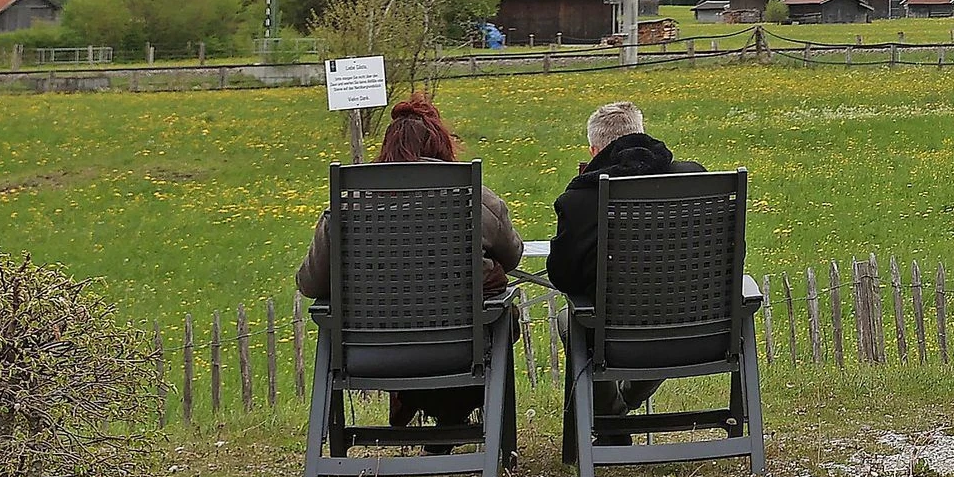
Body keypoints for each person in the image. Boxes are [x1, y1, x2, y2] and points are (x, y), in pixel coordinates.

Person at [294, 95, 524, 438]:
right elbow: (514, 254)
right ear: (443, 146)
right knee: (505, 319)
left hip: (369, 353)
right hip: (457, 349)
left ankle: (427, 408)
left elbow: (310, 283)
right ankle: (454, 416)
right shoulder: (477, 200)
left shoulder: (347, 208)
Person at [547, 101, 704, 432]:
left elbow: (563, 276)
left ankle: (608, 418)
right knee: (666, 316)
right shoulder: (696, 179)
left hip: (618, 336)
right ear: (643, 135)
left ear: (593, 150)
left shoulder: (580, 198)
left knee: (571, 320)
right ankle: (620, 409)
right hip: (702, 327)